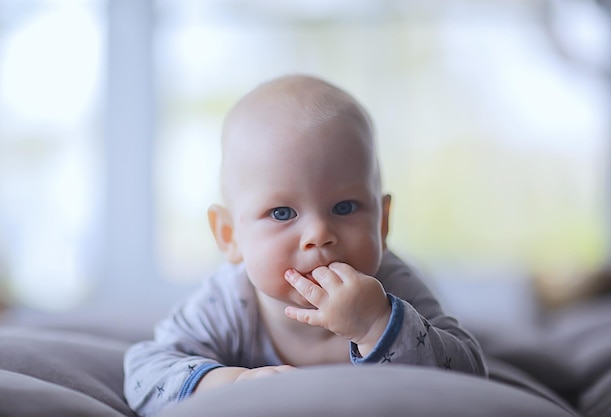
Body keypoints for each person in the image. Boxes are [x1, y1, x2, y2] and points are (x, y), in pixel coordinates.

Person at [123, 74, 487, 416]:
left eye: (345, 207)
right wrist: (231, 383)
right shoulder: (229, 301)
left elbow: (470, 376)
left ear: (382, 221)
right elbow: (146, 371)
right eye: (282, 212)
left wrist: (378, 324)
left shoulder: (391, 287)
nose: (319, 234)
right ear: (230, 236)